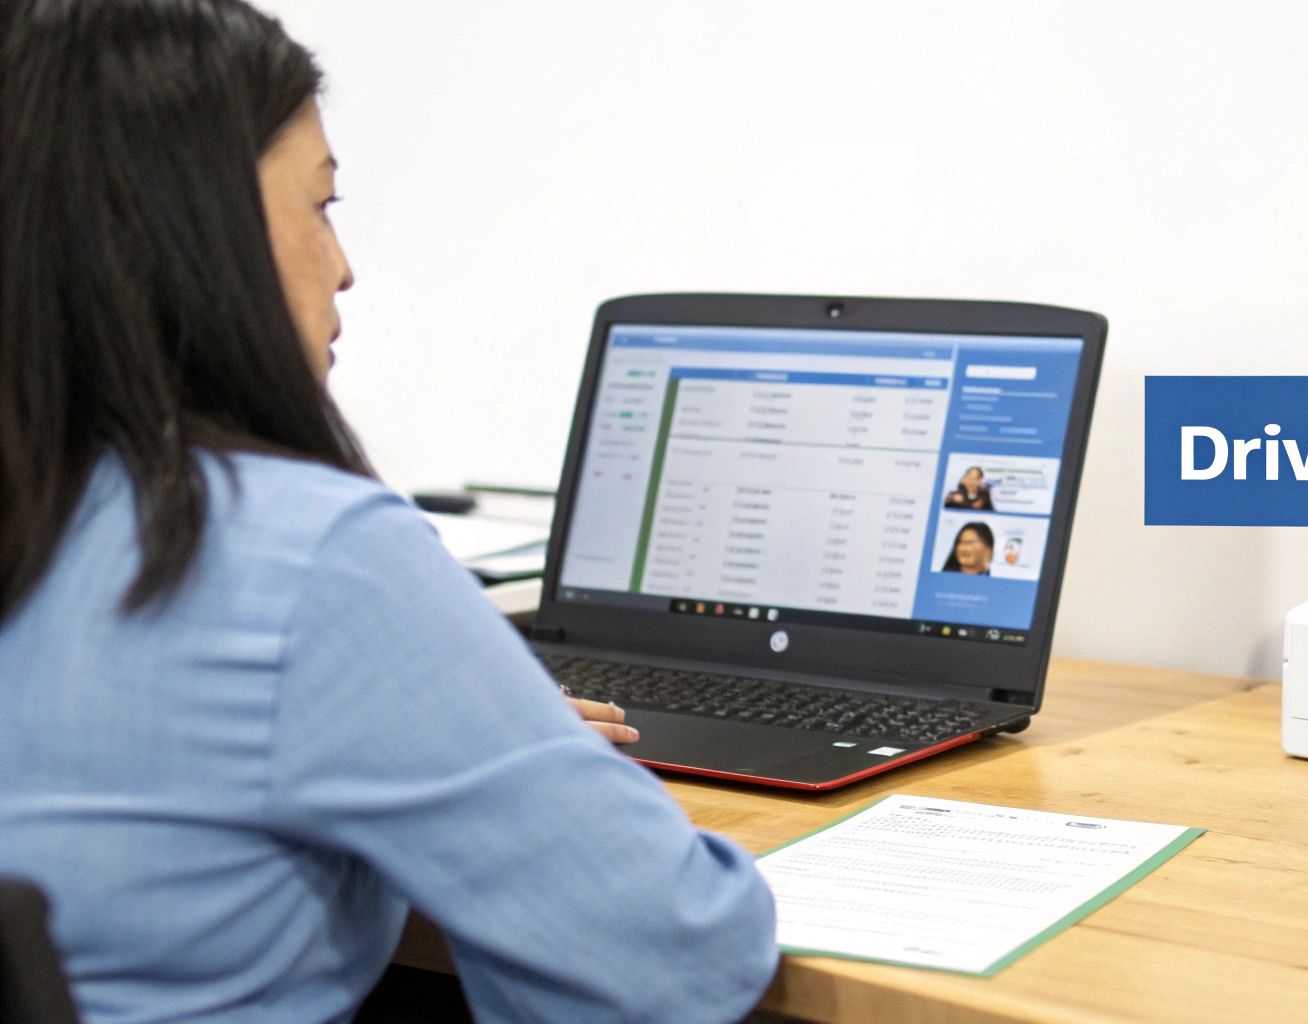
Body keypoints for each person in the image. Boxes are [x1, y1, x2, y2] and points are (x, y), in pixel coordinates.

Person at [0, 2, 776, 1021]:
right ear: (199, 231)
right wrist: (513, 773)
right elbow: (669, 965)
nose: (346, 264)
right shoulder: (305, 557)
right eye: (321, 207)